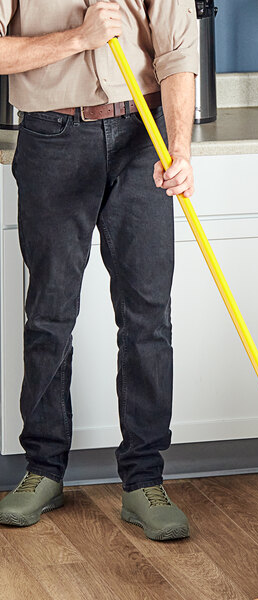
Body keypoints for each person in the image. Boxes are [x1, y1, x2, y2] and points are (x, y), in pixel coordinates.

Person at [0, 0, 198, 541]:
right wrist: (77, 38)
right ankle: (42, 470)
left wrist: (179, 148)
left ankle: (144, 481)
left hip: (144, 139)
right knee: (49, 315)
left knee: (148, 318)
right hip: (52, 138)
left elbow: (177, 54)